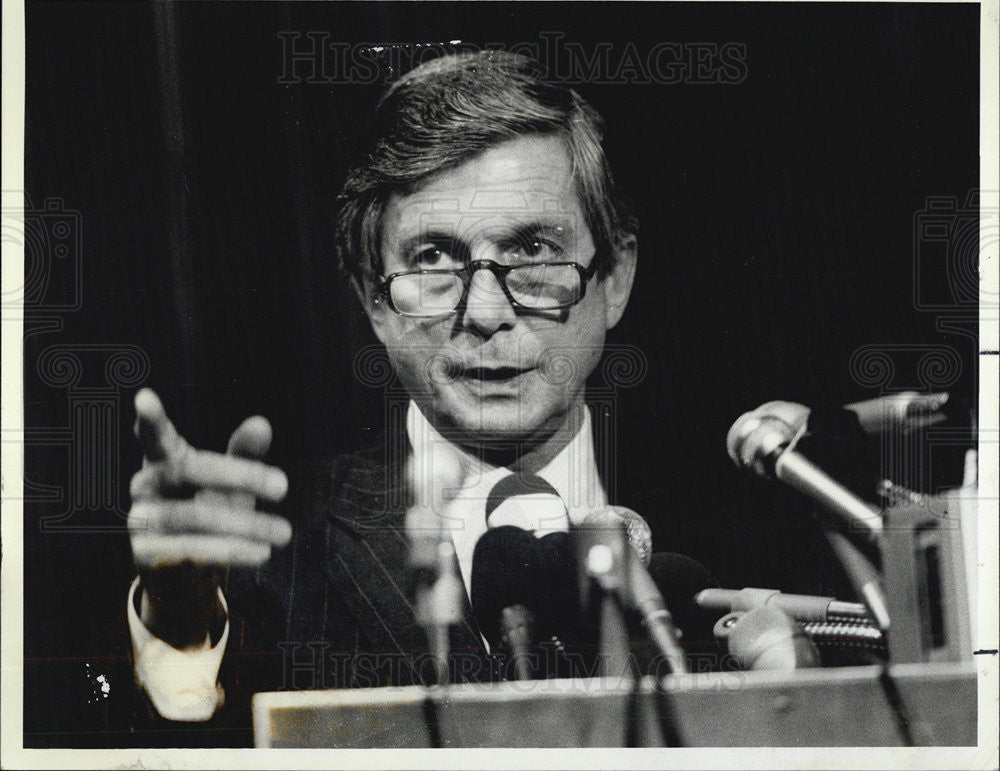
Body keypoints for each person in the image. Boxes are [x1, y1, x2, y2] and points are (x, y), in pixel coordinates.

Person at [121, 51, 709, 745]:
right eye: (433, 258)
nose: (486, 311)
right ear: (376, 301)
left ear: (613, 277)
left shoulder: (748, 530)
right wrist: (180, 634)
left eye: (532, 249)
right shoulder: (270, 559)